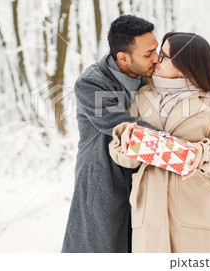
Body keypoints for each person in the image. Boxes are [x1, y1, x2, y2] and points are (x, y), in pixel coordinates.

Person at [109, 32, 210, 252]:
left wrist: (201, 154)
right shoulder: (140, 98)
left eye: (164, 56)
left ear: (186, 65)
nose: (156, 59)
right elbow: (122, 158)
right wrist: (123, 140)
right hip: (148, 221)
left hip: (196, 219)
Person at [61, 15, 159, 252]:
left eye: (156, 50)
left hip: (145, 177)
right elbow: (123, 126)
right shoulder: (91, 83)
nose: (156, 59)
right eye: (148, 54)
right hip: (103, 180)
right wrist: (181, 144)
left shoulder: (153, 75)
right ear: (123, 57)